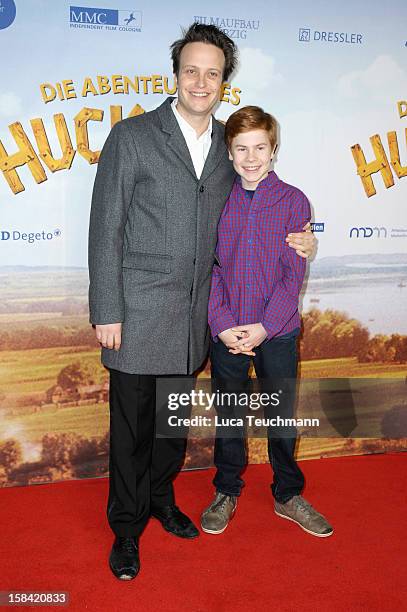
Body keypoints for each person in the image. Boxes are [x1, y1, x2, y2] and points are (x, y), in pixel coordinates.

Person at [88, 23, 316, 581]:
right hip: (136, 312)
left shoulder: (228, 148)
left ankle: (163, 502)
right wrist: (106, 308)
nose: (201, 80)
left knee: (171, 423)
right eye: (191, 69)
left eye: (212, 72)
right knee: (131, 429)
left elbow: (258, 219)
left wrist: (305, 238)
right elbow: (105, 227)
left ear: (224, 82)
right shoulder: (133, 135)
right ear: (176, 73)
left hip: (195, 319)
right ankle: (125, 527)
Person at [201, 106, 333, 538]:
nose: (251, 157)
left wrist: (265, 327)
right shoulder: (217, 198)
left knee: (282, 415)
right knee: (230, 416)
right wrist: (222, 325)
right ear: (229, 152)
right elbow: (212, 269)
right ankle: (226, 489)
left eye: (260, 147)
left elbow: (292, 275)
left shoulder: (294, 201)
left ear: (274, 150)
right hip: (227, 331)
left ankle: (288, 494)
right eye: (241, 148)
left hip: (276, 332)